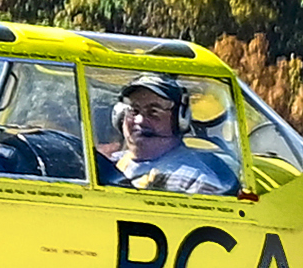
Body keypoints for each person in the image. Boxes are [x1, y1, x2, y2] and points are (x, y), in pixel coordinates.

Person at [99, 74, 239, 194]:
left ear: (180, 119)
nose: (139, 120)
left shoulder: (195, 181)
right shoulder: (111, 163)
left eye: (154, 111)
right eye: (134, 110)